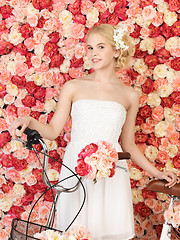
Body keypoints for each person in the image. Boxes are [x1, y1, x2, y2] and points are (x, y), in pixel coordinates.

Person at [9, 23, 179, 240]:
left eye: (100, 47)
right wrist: (29, 120)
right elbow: (52, 131)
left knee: (107, 231)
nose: (93, 53)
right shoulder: (74, 87)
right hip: (75, 169)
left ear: (116, 51)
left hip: (112, 170)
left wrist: (157, 173)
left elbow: (128, 144)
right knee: (72, 231)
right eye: (89, 48)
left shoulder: (129, 95)